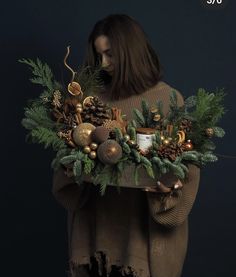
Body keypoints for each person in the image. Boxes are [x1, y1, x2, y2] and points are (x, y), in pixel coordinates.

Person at [52, 14, 200, 277]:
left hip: (141, 236)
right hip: (95, 232)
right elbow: (68, 165)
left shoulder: (168, 100)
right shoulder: (88, 100)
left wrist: (170, 187)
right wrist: (70, 165)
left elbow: (187, 163)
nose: (104, 64)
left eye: (110, 54)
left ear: (131, 51)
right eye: (99, 56)